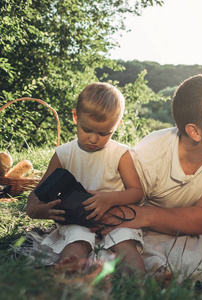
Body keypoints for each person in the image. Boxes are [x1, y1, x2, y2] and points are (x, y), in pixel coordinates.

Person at [97, 74, 202, 280]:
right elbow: (114, 216)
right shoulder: (150, 154)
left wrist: (145, 214)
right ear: (195, 132)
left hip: (154, 222)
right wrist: (137, 214)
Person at [26, 82, 145, 274]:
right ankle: (68, 280)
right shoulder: (63, 154)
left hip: (113, 218)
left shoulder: (121, 154)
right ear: (75, 117)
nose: (93, 139)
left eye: (104, 133)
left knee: (125, 245)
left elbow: (137, 192)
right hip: (76, 220)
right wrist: (44, 211)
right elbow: (35, 199)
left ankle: (142, 285)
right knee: (76, 245)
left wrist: (109, 199)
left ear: (117, 126)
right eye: (87, 130)